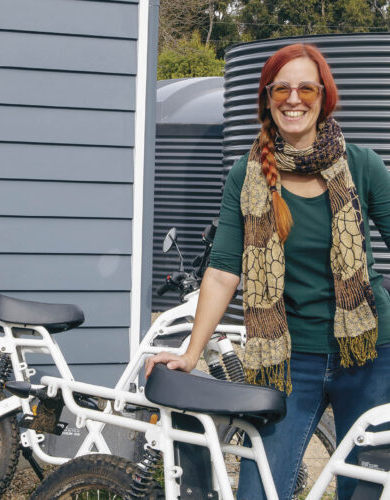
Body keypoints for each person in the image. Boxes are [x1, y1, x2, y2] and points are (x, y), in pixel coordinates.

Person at [145, 43, 390, 500]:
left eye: (306, 88)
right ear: (267, 98)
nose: (293, 99)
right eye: (281, 88)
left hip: (370, 354)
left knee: (364, 489)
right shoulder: (247, 175)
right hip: (288, 359)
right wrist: (191, 352)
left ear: (324, 97)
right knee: (260, 488)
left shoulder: (362, 165)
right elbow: (222, 271)